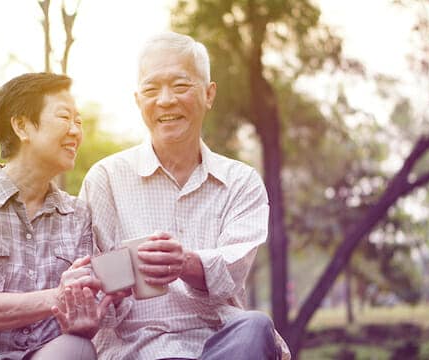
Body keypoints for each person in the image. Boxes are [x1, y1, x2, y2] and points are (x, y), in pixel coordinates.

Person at [79, 32, 290, 359]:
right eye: (151, 89)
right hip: (139, 345)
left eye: (180, 86)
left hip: (222, 342)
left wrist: (185, 263)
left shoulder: (240, 181)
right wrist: (111, 288)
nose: (165, 100)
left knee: (257, 326)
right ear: (138, 101)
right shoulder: (105, 179)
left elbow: (232, 273)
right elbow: (92, 290)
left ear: (208, 94)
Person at [0, 72, 119, 360]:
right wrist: (59, 296)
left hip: (44, 355)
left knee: (78, 347)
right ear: (22, 126)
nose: (76, 131)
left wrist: (84, 320)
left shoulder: (77, 214)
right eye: (65, 118)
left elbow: (78, 321)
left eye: (78, 122)